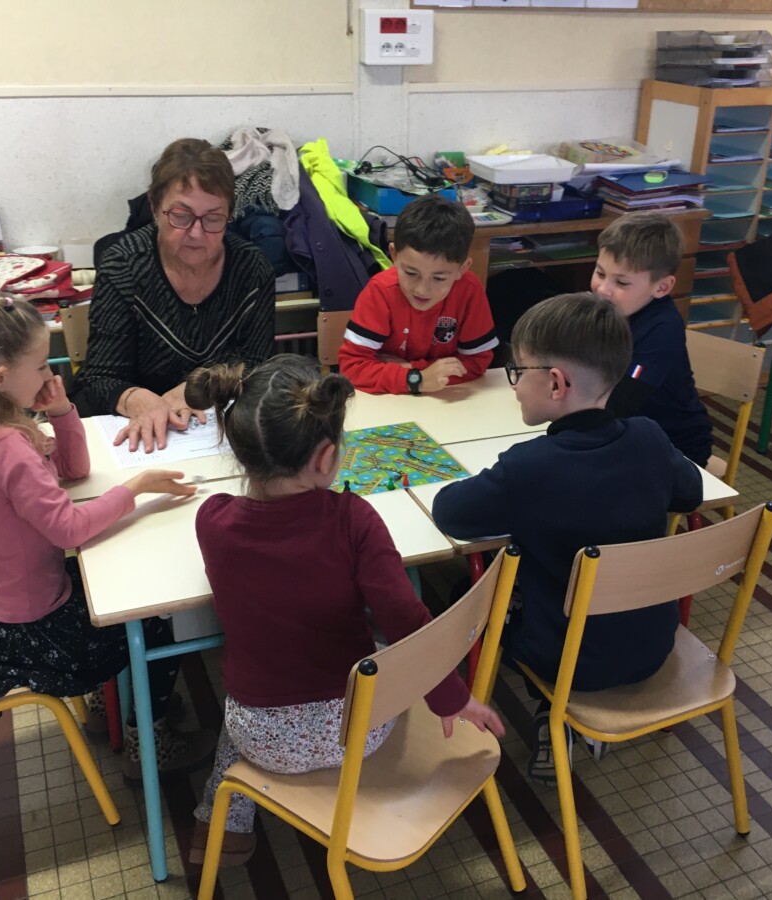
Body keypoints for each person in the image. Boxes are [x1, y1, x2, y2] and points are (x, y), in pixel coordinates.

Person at [184, 354, 504, 866]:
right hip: (358, 732)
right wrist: (451, 699)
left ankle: (222, 823)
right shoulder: (354, 519)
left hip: (260, 738)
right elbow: (408, 623)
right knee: (378, 652)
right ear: (327, 457)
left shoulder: (211, 519)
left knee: (240, 708)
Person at [0, 289, 215, 781]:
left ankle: (109, 707)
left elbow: (73, 471)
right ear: (1, 378)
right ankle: (151, 742)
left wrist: (62, 411)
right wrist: (136, 488)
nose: (50, 374)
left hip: (5, 597)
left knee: (116, 580)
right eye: (41, 366)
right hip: (30, 623)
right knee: (154, 620)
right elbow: (69, 527)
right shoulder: (8, 448)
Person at [431, 293, 702, 782]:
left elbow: (449, 512)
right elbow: (691, 492)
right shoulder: (649, 438)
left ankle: (542, 711)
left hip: (566, 660)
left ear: (556, 383)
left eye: (518, 372)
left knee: (458, 593)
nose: (515, 385)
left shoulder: (529, 468)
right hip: (653, 645)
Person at [72, 137, 276, 452]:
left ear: (229, 215)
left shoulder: (252, 269)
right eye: (181, 216)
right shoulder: (123, 265)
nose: (196, 233)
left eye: (213, 218)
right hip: (143, 438)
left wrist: (203, 386)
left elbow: (259, 365)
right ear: (156, 207)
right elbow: (99, 377)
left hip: (221, 434)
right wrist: (136, 399)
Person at [339, 194, 498, 395]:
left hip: (445, 402)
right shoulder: (380, 291)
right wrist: (419, 379)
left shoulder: (469, 290)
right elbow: (352, 367)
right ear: (394, 255)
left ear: (462, 269)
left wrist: (414, 371)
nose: (422, 289)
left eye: (439, 278)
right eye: (411, 273)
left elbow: (478, 362)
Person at [591, 212, 713, 466]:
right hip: (623, 433)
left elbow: (623, 400)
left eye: (622, 282)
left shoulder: (662, 328)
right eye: (600, 273)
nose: (603, 289)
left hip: (674, 448)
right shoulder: (610, 307)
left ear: (662, 287)